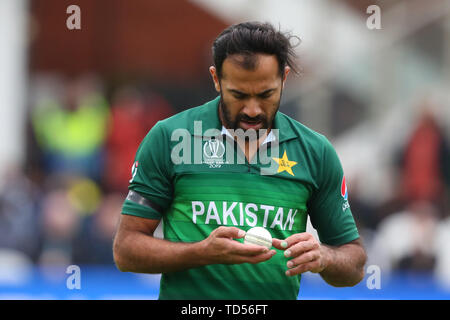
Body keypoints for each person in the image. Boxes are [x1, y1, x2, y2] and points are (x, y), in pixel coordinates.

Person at [113, 22, 367, 300]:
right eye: (238, 95)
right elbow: (126, 250)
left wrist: (325, 257)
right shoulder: (170, 137)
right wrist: (201, 252)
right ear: (216, 79)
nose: (252, 110)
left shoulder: (315, 151)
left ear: (284, 78)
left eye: (266, 94)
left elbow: (353, 263)